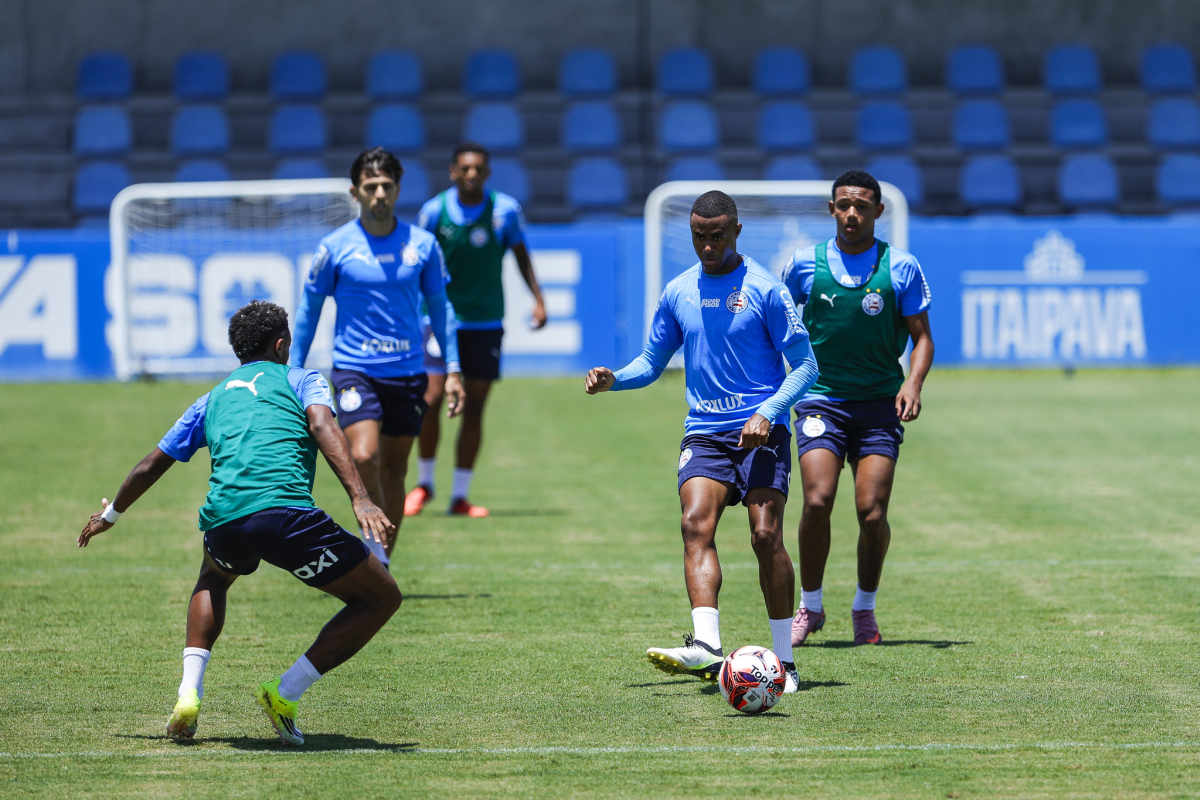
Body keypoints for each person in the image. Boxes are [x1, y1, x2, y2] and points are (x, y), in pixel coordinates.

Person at [77, 301, 402, 746]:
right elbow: (323, 425)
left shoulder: (211, 398)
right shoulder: (302, 379)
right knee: (380, 598)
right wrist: (361, 497)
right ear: (282, 344)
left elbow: (153, 463)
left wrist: (111, 514)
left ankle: (188, 694)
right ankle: (284, 693)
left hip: (224, 519)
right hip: (285, 515)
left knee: (213, 577)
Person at [585, 190, 819, 694]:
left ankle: (785, 660)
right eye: (698, 237)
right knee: (695, 524)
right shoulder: (678, 292)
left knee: (765, 537)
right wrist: (614, 379)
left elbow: (806, 366)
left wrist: (769, 411)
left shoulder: (764, 289)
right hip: (706, 433)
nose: (708, 247)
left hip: (762, 431)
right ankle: (710, 648)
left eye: (716, 237)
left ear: (736, 231)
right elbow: (650, 363)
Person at [781, 170, 934, 647]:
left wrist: (913, 382)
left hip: (879, 404)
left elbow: (923, 337)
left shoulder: (901, 267)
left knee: (871, 513)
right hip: (821, 397)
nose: (852, 213)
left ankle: (864, 608)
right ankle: (810, 605)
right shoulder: (804, 266)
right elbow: (780, 330)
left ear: (877, 212)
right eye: (844, 204)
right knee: (817, 499)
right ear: (831, 209)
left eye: (862, 206)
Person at [290, 147, 464, 563]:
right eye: (371, 187)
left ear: (398, 189)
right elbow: (308, 311)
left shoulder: (423, 246)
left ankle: (382, 561)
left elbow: (441, 311)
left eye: (387, 185)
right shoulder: (334, 248)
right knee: (365, 455)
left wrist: (453, 368)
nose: (380, 194)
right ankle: (371, 547)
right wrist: (292, 371)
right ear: (356, 192)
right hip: (354, 369)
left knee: (395, 470)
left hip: (407, 371)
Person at [403, 143, 547, 518]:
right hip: (439, 319)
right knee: (431, 400)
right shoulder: (434, 212)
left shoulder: (505, 211)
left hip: (485, 321)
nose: (471, 175)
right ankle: (424, 484)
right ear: (453, 172)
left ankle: (460, 496)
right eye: (465, 169)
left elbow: (520, 254)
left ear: (487, 172)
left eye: (478, 169)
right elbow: (418, 261)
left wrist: (538, 298)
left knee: (475, 408)